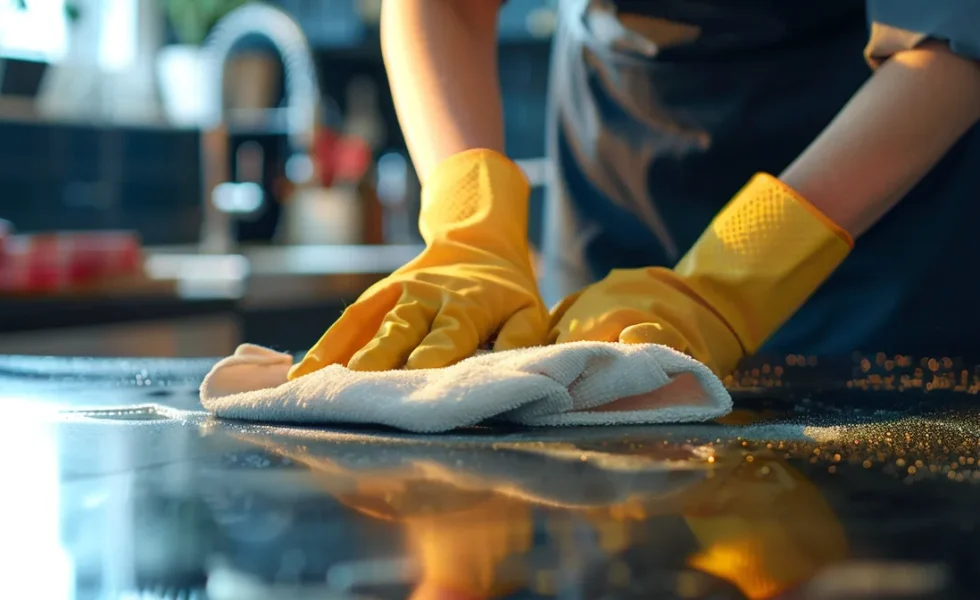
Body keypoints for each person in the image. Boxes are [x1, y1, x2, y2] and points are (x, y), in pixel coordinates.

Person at [290, 0, 980, 380]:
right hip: (613, 165)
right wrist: (470, 226)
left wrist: (734, 277)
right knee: (605, 478)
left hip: (874, 192)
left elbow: (951, 37)